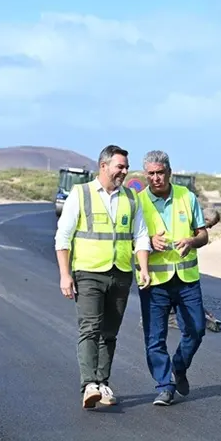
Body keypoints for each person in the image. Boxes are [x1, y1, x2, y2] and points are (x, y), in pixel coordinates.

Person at [55, 144, 151, 409]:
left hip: (120, 274)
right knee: (90, 328)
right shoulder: (81, 194)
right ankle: (89, 385)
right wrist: (65, 275)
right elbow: (63, 237)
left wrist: (143, 268)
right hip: (88, 273)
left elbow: (141, 236)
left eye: (126, 167)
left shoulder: (131, 198)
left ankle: (102, 382)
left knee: (110, 332)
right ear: (104, 166)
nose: (125, 171)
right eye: (120, 166)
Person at [137, 150, 209, 406]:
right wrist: (148, 241)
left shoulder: (186, 197)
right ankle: (165, 386)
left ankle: (179, 365)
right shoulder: (138, 202)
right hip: (154, 282)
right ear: (145, 175)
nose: (156, 178)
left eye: (160, 173)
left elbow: (203, 235)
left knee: (197, 330)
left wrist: (191, 241)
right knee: (155, 338)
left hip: (186, 279)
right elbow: (129, 240)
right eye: (151, 174)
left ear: (169, 172)